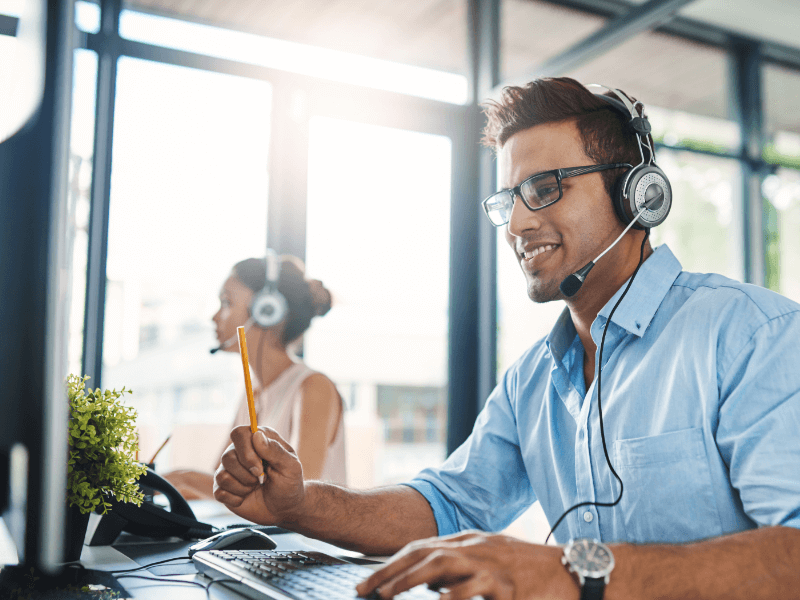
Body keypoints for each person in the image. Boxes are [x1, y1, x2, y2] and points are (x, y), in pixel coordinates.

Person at [212, 78, 800, 599]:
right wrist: (301, 505)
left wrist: (571, 573)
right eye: (509, 200)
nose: (518, 224)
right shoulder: (533, 379)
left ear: (636, 194)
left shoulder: (751, 335)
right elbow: (446, 505)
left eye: (545, 188)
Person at [164, 255, 345, 500]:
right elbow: (221, 483)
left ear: (266, 310)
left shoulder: (314, 387)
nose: (215, 317)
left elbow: (298, 496)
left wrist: (184, 478)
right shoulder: (255, 394)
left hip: (304, 539)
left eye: (227, 303)